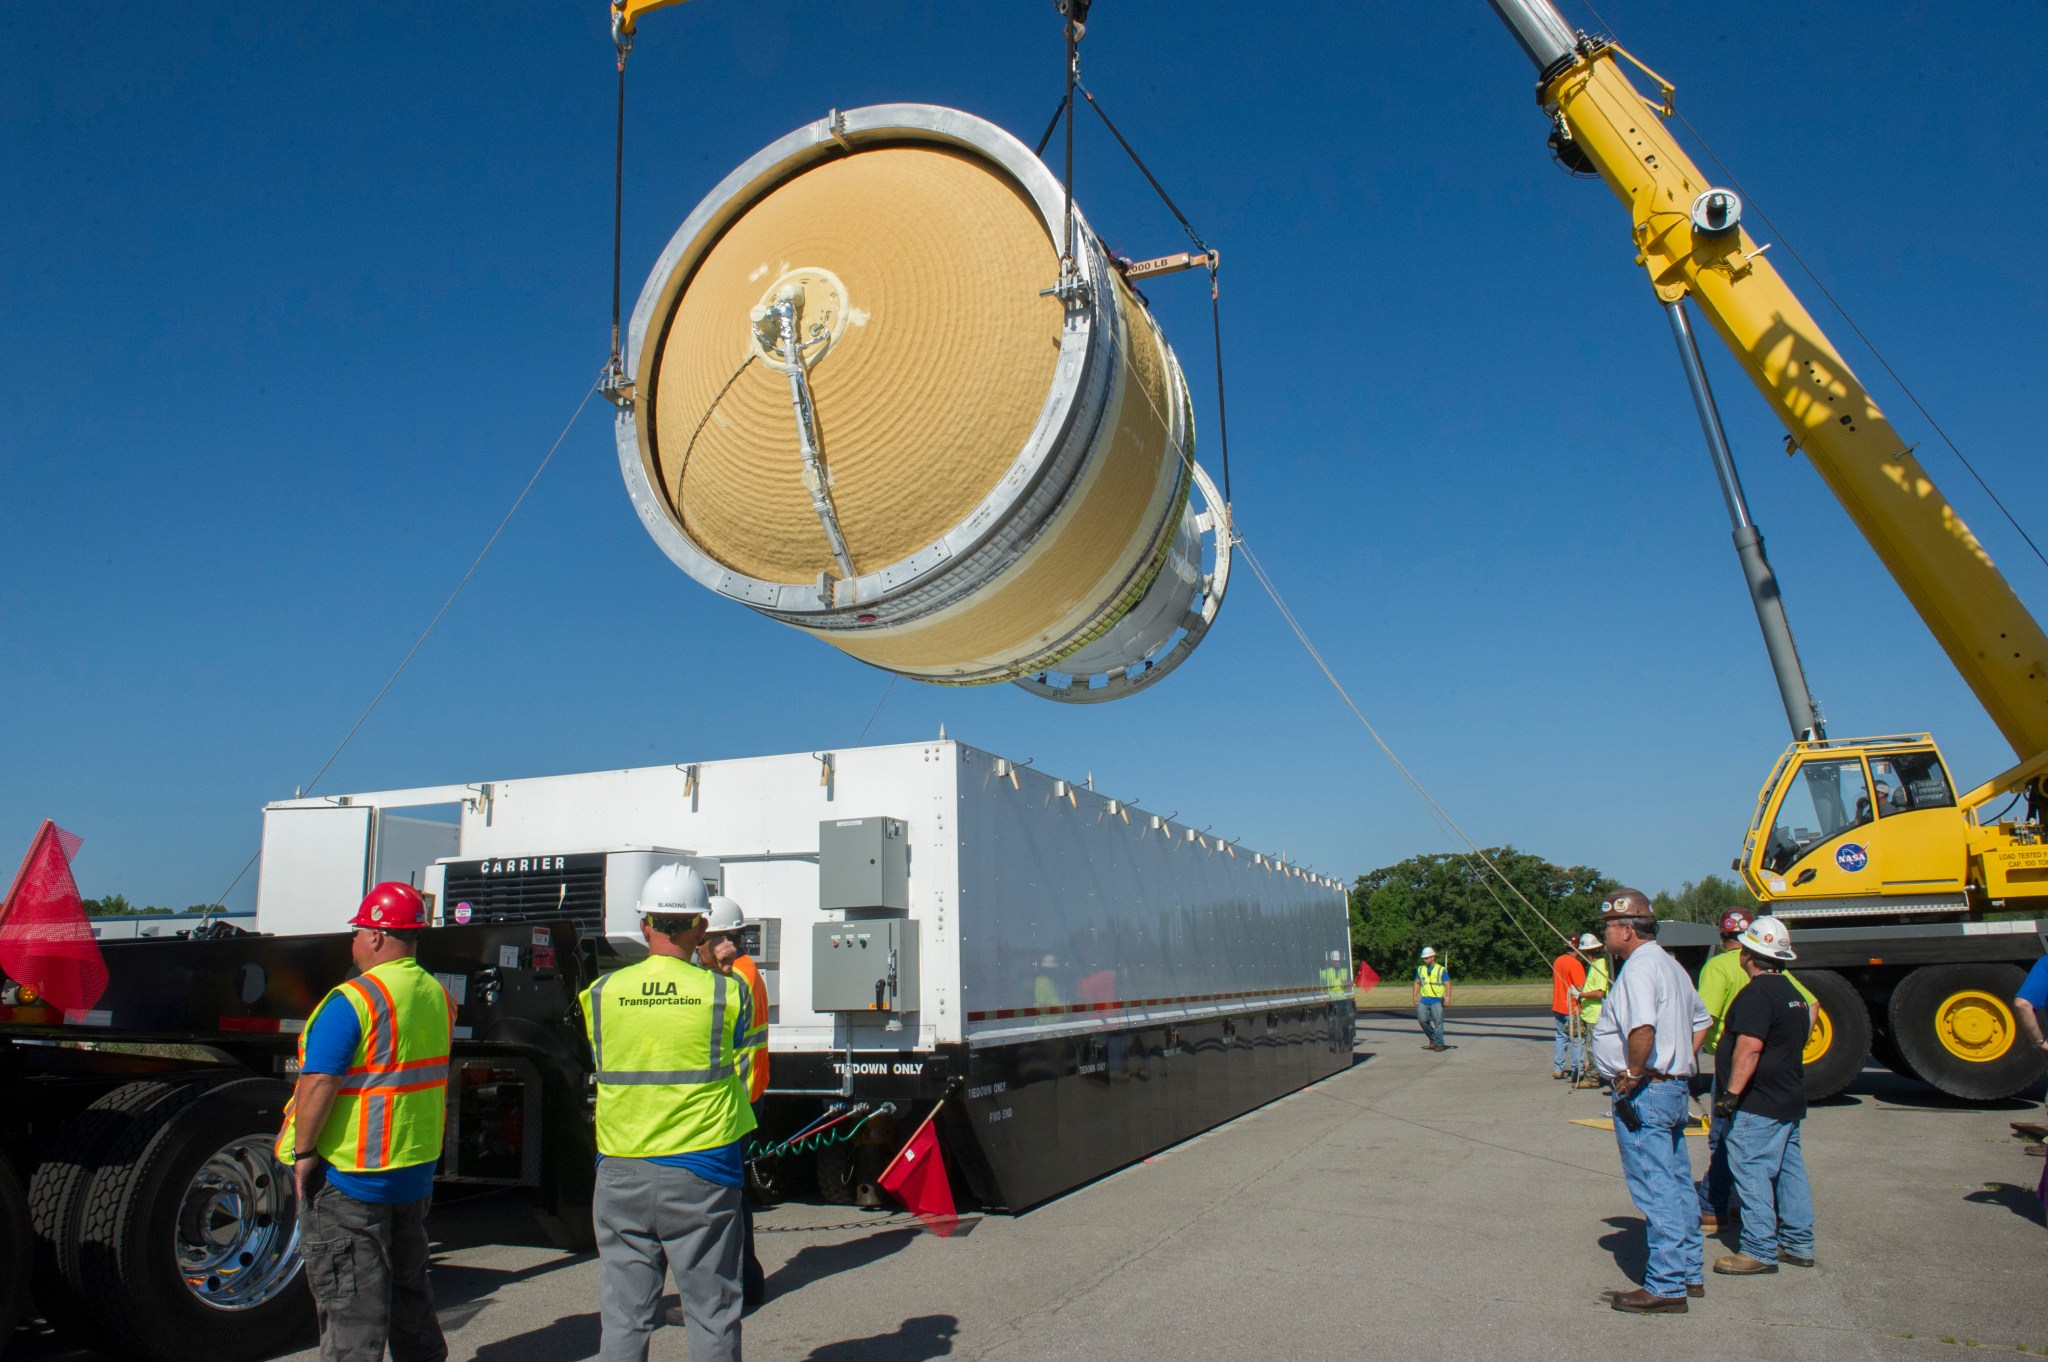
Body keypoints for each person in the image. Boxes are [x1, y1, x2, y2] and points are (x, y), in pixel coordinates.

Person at [275, 882, 455, 1362]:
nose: (352, 941)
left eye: (357, 931)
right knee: (410, 1293)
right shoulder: (437, 994)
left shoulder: (355, 998)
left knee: (352, 1306)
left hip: (351, 1174)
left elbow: (319, 1084)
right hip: (412, 1167)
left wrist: (304, 1153)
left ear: (376, 936)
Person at [584, 865, 755, 1362]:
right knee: (712, 1311)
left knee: (624, 1316)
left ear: (644, 925)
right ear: (702, 928)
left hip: (620, 1167)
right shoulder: (727, 992)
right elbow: (738, 1048)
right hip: (703, 1169)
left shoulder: (599, 994)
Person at [1588, 889, 1711, 1313]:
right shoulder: (1671, 965)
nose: (1603, 933)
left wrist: (1635, 1074)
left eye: (1607, 926)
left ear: (1626, 928)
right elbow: (1702, 1020)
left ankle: (1666, 1284)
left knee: (1656, 1189)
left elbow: (1642, 1029)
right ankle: (1688, 1272)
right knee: (1677, 1185)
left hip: (1648, 1092)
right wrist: (1680, 1060)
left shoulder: (1640, 968)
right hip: (1672, 1087)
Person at [1695, 909, 1816, 1233]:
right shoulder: (1783, 978)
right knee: (1788, 1160)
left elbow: (1705, 1020)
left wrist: (1688, 1066)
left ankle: (1726, 1215)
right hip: (1784, 1075)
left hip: (1740, 1070)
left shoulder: (1725, 970)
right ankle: (1796, 1237)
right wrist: (1790, 1046)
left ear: (1725, 940)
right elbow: (1812, 1005)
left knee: (1730, 1144)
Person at [701, 895, 769, 1312]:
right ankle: (747, 1285)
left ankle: (739, 1290)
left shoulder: (733, 980)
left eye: (702, 939)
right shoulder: (747, 972)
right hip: (749, 1095)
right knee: (735, 1196)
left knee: (728, 1200)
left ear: (722, 940)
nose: (696, 947)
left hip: (734, 1099)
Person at [1575, 935, 1610, 1089]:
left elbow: (1600, 992)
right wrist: (1581, 991)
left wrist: (1581, 995)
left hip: (1596, 1015)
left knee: (1592, 1048)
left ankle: (1593, 1078)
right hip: (1589, 1013)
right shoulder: (1593, 964)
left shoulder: (1600, 965)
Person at [1551, 937, 1590, 1078]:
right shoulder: (1575, 964)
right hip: (1571, 1006)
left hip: (1558, 1004)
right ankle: (1577, 1069)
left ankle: (1558, 1068)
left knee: (1561, 1036)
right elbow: (1580, 987)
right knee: (1576, 1037)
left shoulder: (1558, 961)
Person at [1413, 946, 1450, 1051]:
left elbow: (1447, 984)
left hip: (1437, 1000)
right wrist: (1415, 996)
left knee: (1438, 1022)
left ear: (1432, 957)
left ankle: (1439, 1043)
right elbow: (1417, 982)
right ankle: (1432, 1038)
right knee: (1422, 1020)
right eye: (1424, 958)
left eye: (1427, 958)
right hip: (1424, 999)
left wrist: (1447, 998)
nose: (1424, 960)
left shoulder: (1440, 970)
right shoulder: (1421, 969)